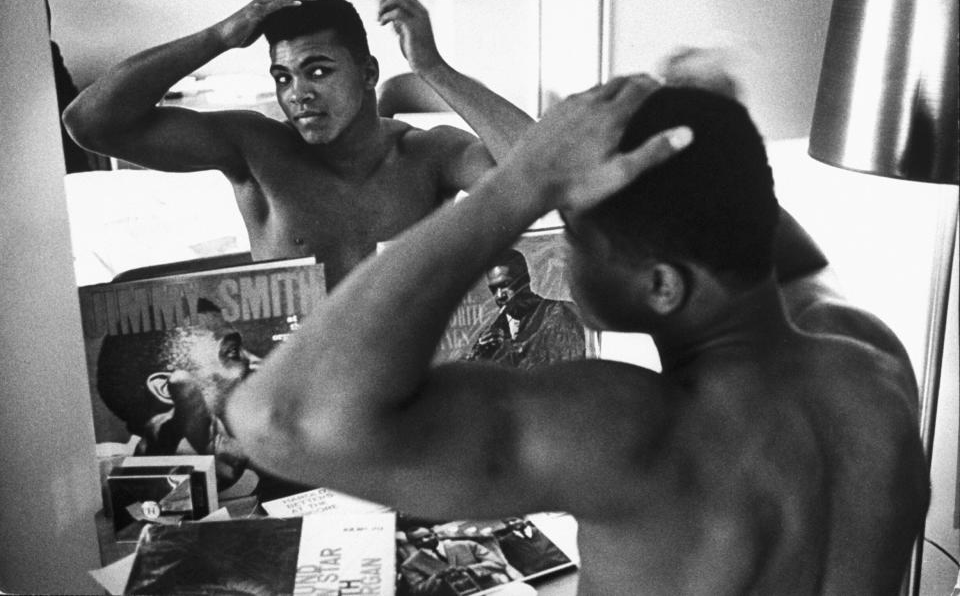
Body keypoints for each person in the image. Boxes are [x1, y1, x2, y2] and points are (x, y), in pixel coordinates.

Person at [227, 76, 929, 594]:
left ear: (661, 286)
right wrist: (696, 122)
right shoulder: (871, 361)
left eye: (574, 233)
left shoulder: (633, 427)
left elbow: (282, 417)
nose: (561, 256)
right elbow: (746, 207)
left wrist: (523, 183)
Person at [62, 0, 533, 289]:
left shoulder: (429, 153)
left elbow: (544, 169)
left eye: (319, 71)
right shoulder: (254, 147)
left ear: (368, 72)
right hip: (295, 400)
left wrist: (433, 68)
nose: (299, 94)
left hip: (408, 389)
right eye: (283, 78)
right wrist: (219, 36)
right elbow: (90, 123)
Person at [97, 297, 257, 489]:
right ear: (166, 390)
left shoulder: (254, 477)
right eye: (232, 352)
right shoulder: (102, 478)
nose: (260, 363)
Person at [463, 248, 586, 368]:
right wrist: (481, 355)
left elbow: (566, 366)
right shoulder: (494, 332)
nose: (499, 295)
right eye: (493, 289)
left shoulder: (561, 312)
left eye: (505, 285)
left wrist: (507, 350)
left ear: (525, 280)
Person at [400, 526, 517, 595]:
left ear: (434, 534)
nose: (424, 541)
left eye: (427, 536)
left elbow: (498, 563)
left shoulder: (467, 545)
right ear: (412, 543)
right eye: (418, 540)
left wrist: (469, 569)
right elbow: (418, 591)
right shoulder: (410, 564)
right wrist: (437, 577)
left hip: (492, 592)